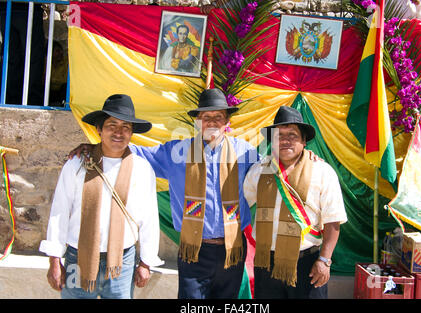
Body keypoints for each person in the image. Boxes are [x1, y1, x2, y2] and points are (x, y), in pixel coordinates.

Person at [70, 88, 258, 299]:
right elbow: (132, 151)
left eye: (218, 117)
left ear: (227, 122)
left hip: (233, 249)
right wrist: (97, 147)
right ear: (197, 121)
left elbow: (271, 174)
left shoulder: (246, 153)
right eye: (206, 117)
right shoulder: (175, 153)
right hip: (193, 251)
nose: (212, 122)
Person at [40, 94, 162, 299]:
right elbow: (60, 211)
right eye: (111, 125)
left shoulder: (141, 169)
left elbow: (149, 217)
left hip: (122, 264)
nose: (118, 132)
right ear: (99, 129)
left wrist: (146, 262)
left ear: (131, 132)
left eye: (125, 127)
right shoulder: (77, 164)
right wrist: (54, 259)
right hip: (77, 258)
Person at [243, 106, 347, 299]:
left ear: (304, 140)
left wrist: (324, 261)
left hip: (307, 264)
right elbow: (240, 207)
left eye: (292, 134)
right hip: (266, 264)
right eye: (279, 135)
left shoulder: (323, 172)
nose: (285, 140)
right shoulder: (258, 171)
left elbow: (333, 221)